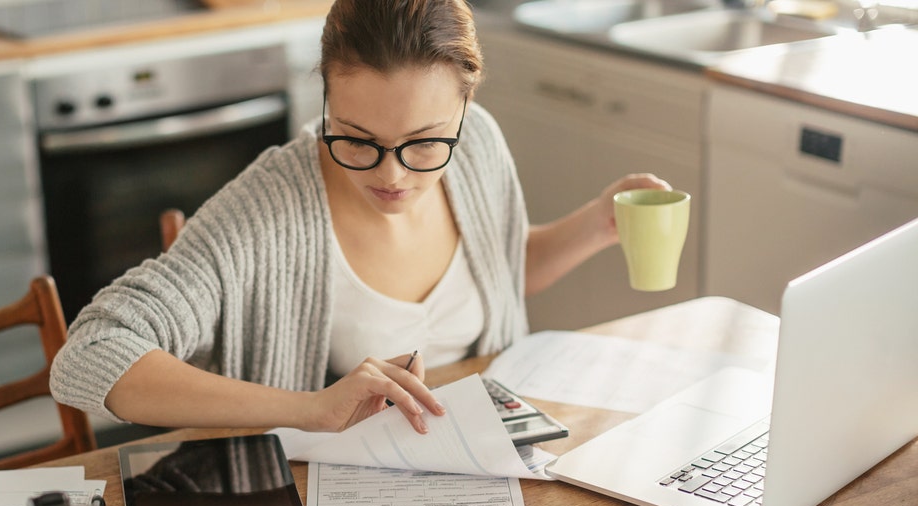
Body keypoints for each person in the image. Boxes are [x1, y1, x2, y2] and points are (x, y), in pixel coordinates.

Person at [50, 0, 670, 436]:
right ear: (325, 100)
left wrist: (597, 223)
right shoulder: (267, 212)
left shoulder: (477, 144)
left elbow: (502, 269)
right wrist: (310, 409)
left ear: (465, 108)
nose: (392, 175)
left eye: (425, 142)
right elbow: (90, 356)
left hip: (482, 462)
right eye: (356, 137)